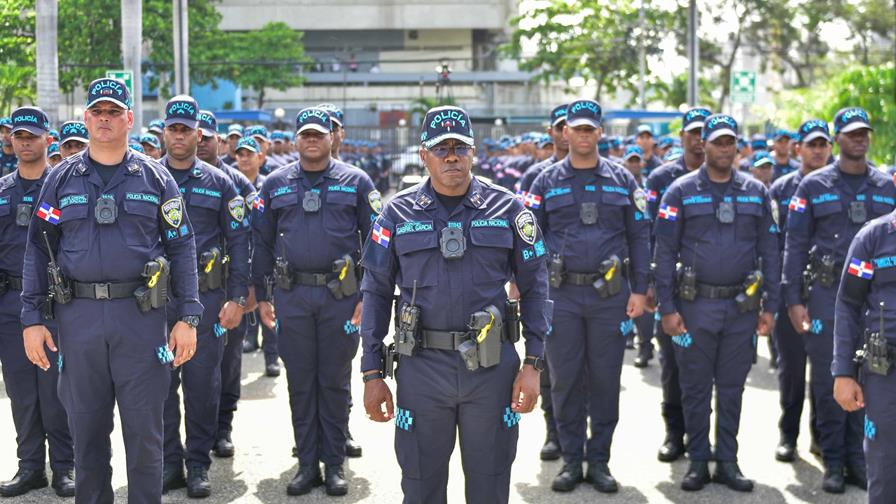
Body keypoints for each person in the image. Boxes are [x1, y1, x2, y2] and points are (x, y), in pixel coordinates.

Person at [21, 77, 203, 503]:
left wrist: (188, 317)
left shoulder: (157, 179)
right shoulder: (60, 179)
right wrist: (31, 319)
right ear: (86, 119)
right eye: (97, 113)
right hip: (78, 319)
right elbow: (37, 248)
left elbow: (182, 246)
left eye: (113, 113)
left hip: (139, 319)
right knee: (87, 436)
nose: (105, 120)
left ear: (129, 119)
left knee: (145, 437)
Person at [360, 105, 550, 504]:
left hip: (492, 371)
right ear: (423, 154)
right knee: (420, 486)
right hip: (422, 371)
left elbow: (535, 288)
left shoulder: (508, 209)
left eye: (460, 148)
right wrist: (372, 373)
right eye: (440, 147)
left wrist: (533, 365)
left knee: (490, 486)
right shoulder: (396, 213)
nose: (451, 156)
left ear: (473, 153)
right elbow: (376, 293)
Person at [252, 107, 379, 496]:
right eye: (305, 134)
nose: (311, 140)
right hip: (293, 296)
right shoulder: (274, 184)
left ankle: (335, 463)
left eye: (318, 134)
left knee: (336, 379)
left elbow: (376, 242)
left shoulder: (356, 182)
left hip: (340, 297)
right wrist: (261, 296)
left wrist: (368, 297)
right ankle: (307, 464)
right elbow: (261, 242)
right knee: (302, 381)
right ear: (295, 140)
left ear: (331, 138)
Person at [528, 99, 648, 494]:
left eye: (588, 128)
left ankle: (599, 462)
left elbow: (639, 236)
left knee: (604, 380)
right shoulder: (545, 182)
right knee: (563, 380)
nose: (581, 134)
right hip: (560, 295)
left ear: (600, 132)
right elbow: (529, 240)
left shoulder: (622, 180)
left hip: (609, 297)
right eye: (575, 128)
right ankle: (571, 459)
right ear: (565, 133)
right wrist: (527, 287)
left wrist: (641, 290)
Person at [654, 114, 779, 492]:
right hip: (694, 308)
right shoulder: (679, 190)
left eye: (730, 142)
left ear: (737, 146)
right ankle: (697, 461)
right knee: (693, 386)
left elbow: (771, 250)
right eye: (717, 142)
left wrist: (771, 306)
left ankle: (727, 460)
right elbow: (664, 248)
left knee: (731, 388)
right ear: (702, 145)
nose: (724, 148)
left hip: (741, 309)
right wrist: (667, 308)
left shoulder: (757, 192)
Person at [782, 107, 892, 493]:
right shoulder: (812, 186)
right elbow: (794, 246)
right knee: (835, 377)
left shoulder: (885, 185)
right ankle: (832, 460)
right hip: (829, 297)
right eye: (851, 133)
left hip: (876, 302)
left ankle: (858, 458)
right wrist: (793, 299)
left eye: (864, 133)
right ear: (837, 139)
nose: (859, 139)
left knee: (872, 382)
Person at [155, 96, 250, 498]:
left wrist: (237, 298)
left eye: (186, 129)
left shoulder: (220, 181)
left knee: (201, 386)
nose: (179, 136)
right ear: (164, 132)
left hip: (208, 302)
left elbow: (240, 239)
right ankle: (169, 463)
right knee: (159, 385)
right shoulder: (146, 176)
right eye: (173, 128)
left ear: (199, 134)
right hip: (157, 303)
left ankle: (197, 465)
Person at [0, 107, 75, 498]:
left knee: (57, 389)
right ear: (9, 140)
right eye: (18, 136)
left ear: (49, 139)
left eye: (32, 136)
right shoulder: (2, 190)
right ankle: (30, 466)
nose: (24, 142)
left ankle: (65, 466)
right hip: (10, 304)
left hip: (56, 303)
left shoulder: (63, 186)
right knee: (21, 390)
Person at [644, 106, 710, 462]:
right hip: (671, 285)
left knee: (708, 367)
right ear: (682, 136)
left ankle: (704, 438)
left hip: (712, 290)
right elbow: (649, 233)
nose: (699, 141)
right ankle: (674, 433)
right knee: (672, 363)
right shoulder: (660, 178)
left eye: (705, 134)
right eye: (693, 133)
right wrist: (652, 283)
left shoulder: (727, 177)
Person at [768, 118, 832, 463]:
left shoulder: (840, 185)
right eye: (812, 145)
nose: (818, 151)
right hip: (789, 292)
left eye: (823, 145)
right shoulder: (780, 190)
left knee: (825, 373)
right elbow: (773, 243)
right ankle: (787, 435)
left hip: (826, 294)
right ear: (798, 149)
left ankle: (820, 436)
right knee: (791, 370)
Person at [833, 200, 896, 504]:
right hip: (886, 373)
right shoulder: (873, 237)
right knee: (885, 465)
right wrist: (843, 372)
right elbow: (848, 304)